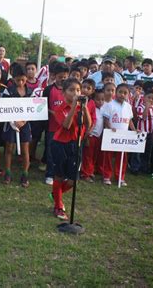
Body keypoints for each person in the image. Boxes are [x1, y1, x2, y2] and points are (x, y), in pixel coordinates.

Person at [50, 77, 90, 220]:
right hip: (60, 144)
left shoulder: (81, 107)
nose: (76, 93)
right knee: (59, 176)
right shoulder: (59, 108)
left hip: (75, 144)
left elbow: (88, 124)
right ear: (64, 92)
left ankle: (56, 194)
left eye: (78, 90)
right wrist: (74, 106)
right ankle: (58, 206)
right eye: (71, 90)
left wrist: (84, 108)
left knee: (74, 180)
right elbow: (66, 125)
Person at [1, 64, 33, 187]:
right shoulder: (8, 91)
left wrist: (23, 121)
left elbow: (33, 110)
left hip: (25, 125)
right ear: (13, 79)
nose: (20, 82)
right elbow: (3, 107)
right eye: (17, 80)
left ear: (26, 78)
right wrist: (13, 121)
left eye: (23, 80)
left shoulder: (30, 92)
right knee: (9, 148)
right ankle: (8, 172)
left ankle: (25, 174)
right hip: (10, 124)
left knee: (25, 150)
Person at [101, 83, 136, 186]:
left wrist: (134, 130)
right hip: (111, 134)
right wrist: (109, 127)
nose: (122, 94)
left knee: (122, 158)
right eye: (120, 92)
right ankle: (107, 176)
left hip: (123, 136)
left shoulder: (128, 106)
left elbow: (129, 121)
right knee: (108, 156)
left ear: (128, 95)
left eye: (125, 93)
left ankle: (120, 177)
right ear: (116, 93)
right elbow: (106, 119)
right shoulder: (110, 105)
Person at [42, 62, 69, 185]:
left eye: (65, 77)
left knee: (64, 152)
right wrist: (55, 113)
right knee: (51, 152)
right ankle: (50, 174)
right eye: (60, 77)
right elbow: (42, 107)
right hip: (53, 127)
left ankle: (62, 174)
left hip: (67, 127)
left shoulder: (70, 90)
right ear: (54, 76)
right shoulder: (48, 90)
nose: (62, 79)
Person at [81, 89, 104, 181]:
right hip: (90, 135)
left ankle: (91, 170)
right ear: (93, 100)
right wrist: (87, 133)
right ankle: (85, 173)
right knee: (88, 155)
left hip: (98, 136)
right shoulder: (92, 108)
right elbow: (91, 121)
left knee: (94, 155)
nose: (101, 102)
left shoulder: (103, 109)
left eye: (103, 99)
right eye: (98, 99)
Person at [134, 89, 153, 174]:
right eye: (149, 97)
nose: (151, 100)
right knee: (138, 151)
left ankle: (144, 167)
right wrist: (147, 107)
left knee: (147, 151)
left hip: (150, 133)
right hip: (141, 132)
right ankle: (135, 168)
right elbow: (143, 118)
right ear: (144, 98)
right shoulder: (141, 107)